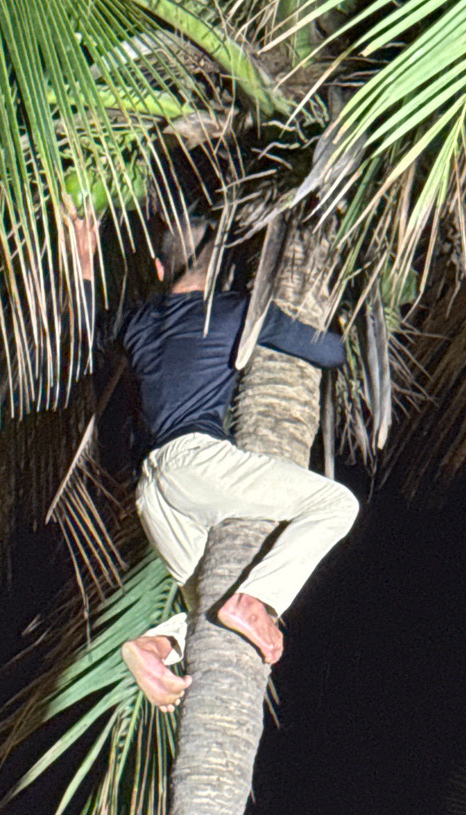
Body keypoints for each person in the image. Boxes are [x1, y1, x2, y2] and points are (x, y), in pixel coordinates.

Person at [112, 213, 359, 711]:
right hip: (198, 462)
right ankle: (257, 599)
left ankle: (156, 645)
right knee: (336, 504)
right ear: (221, 268)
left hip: (152, 491)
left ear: (159, 269)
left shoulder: (137, 321)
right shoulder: (234, 310)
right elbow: (331, 352)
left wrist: (82, 257)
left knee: (209, 601)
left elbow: (79, 331)